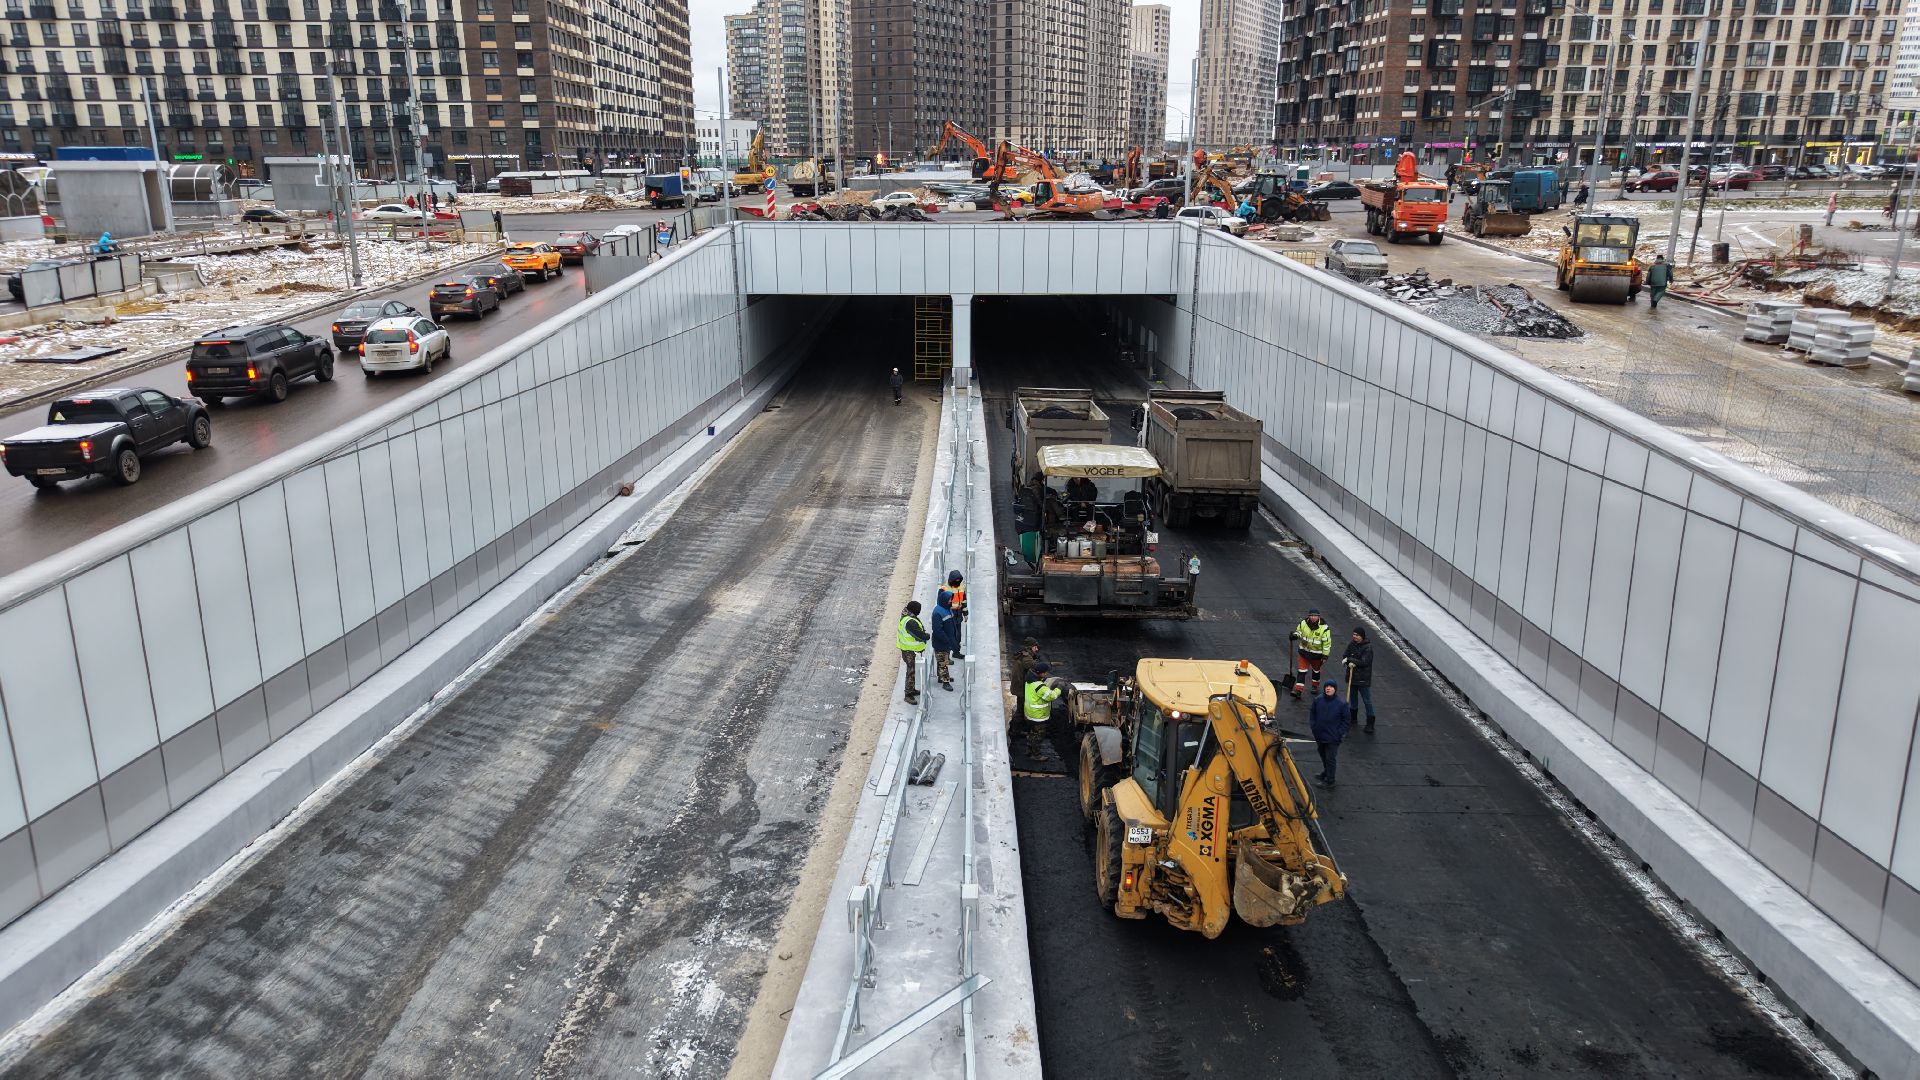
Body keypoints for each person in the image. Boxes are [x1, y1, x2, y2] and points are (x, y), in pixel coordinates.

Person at [1309, 680, 1352, 787]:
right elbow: (1312, 714)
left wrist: (1339, 733)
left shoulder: (1342, 704)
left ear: (1335, 689)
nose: (1328, 688)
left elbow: (1346, 721)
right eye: (1326, 686)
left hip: (1333, 738)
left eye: (1331, 687)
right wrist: (1314, 727)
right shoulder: (1318, 700)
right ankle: (1326, 772)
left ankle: (1330, 780)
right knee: (1323, 756)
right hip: (1320, 735)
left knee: (1330, 758)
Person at [1290, 608, 1333, 699]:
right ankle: (1298, 690)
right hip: (1304, 652)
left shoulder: (1324, 628)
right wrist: (1295, 636)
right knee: (1302, 671)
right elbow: (1299, 632)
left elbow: (1327, 643)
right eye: (1311, 616)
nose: (1313, 617)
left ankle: (1315, 685)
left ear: (1318, 617)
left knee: (1316, 671)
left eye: (1315, 616)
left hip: (1317, 655)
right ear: (1308, 616)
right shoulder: (1303, 623)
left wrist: (1325, 655)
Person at [1022, 661, 1063, 757]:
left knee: (1032, 732)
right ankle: (1036, 755)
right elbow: (1051, 696)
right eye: (1045, 672)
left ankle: (1029, 749)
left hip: (1029, 713)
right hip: (1038, 716)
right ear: (1041, 673)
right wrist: (1059, 688)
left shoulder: (1029, 680)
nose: (1046, 674)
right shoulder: (1040, 686)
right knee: (1039, 736)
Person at [1342, 629, 1376, 734]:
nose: (1354, 636)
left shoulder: (1368, 648)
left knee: (1367, 700)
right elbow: (1345, 655)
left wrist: (1351, 661)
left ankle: (1370, 723)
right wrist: (1347, 661)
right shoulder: (1352, 644)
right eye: (1354, 634)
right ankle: (1353, 719)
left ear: (1362, 636)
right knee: (1353, 698)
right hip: (1352, 677)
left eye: (1357, 635)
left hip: (1362, 679)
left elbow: (1365, 662)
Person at [896, 600, 929, 704]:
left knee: (912, 671)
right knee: (911, 671)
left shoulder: (906, 616)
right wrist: (927, 636)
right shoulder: (910, 622)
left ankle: (912, 689)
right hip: (909, 651)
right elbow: (919, 635)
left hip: (906, 649)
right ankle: (908, 694)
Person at [930, 595, 959, 692]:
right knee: (943, 662)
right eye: (950, 600)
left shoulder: (946, 608)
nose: (951, 601)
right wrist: (947, 640)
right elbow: (937, 630)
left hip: (947, 641)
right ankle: (945, 682)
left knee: (943, 660)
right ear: (944, 601)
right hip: (941, 642)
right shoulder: (938, 612)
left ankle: (941, 677)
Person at [936, 570, 966, 659]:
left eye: (958, 580)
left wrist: (965, 613)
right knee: (948, 635)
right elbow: (940, 604)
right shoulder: (943, 589)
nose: (957, 582)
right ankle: (946, 656)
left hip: (958, 615)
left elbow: (964, 601)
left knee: (958, 635)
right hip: (948, 616)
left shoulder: (961, 587)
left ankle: (956, 652)